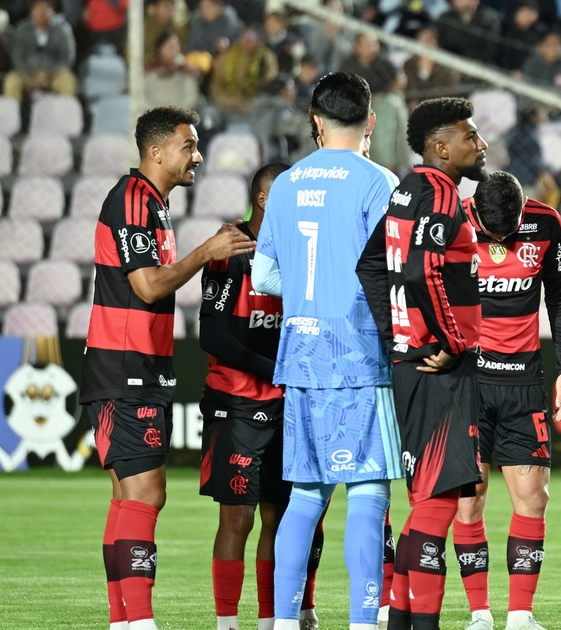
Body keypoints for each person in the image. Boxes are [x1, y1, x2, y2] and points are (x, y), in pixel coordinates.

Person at [82, 106, 255, 630]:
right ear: (156, 151)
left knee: (128, 498)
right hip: (125, 367)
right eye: (189, 145)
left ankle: (124, 622)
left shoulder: (151, 203)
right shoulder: (134, 199)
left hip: (134, 367)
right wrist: (207, 251)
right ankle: (140, 622)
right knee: (146, 494)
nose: (197, 156)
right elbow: (147, 285)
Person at [251, 72, 404, 630]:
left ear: (316, 121)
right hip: (360, 354)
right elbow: (391, 273)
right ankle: (363, 622)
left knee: (305, 498)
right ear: (370, 121)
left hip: (302, 354)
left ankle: (283, 622)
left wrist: (307, 290)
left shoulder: (287, 183)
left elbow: (263, 276)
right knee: (368, 494)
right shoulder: (380, 182)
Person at [355, 96, 488, 630]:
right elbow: (420, 272)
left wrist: (396, 333)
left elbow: (371, 264)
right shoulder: (440, 193)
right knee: (438, 503)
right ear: (441, 147)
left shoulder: (407, 190)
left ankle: (401, 622)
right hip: (440, 368)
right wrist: (450, 341)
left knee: (428, 499)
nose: (481, 144)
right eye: (470, 136)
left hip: (412, 361)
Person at [197, 161, 326, 630]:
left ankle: (272, 621)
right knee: (238, 519)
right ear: (265, 199)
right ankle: (227, 623)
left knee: (284, 518)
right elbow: (213, 335)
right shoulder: (230, 250)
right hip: (237, 403)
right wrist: (275, 370)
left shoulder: (301, 250)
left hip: (290, 402)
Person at [453, 171, 561, 630]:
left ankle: (521, 616)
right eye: (494, 233)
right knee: (469, 500)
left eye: (510, 231)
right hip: (467, 383)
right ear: (476, 211)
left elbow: (559, 296)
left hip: (523, 383)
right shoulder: (452, 222)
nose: (502, 240)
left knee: (533, 497)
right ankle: (479, 615)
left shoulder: (546, 224)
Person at [3, 0, 77, 102]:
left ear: (53, 11)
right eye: (38, 9)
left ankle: (65, 111)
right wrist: (29, 75)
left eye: (46, 9)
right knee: (11, 80)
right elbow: (17, 57)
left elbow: (67, 57)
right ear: (31, 11)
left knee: (68, 81)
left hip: (54, 74)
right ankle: (12, 111)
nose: (42, 13)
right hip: (28, 74)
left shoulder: (62, 29)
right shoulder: (21, 29)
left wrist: (50, 75)